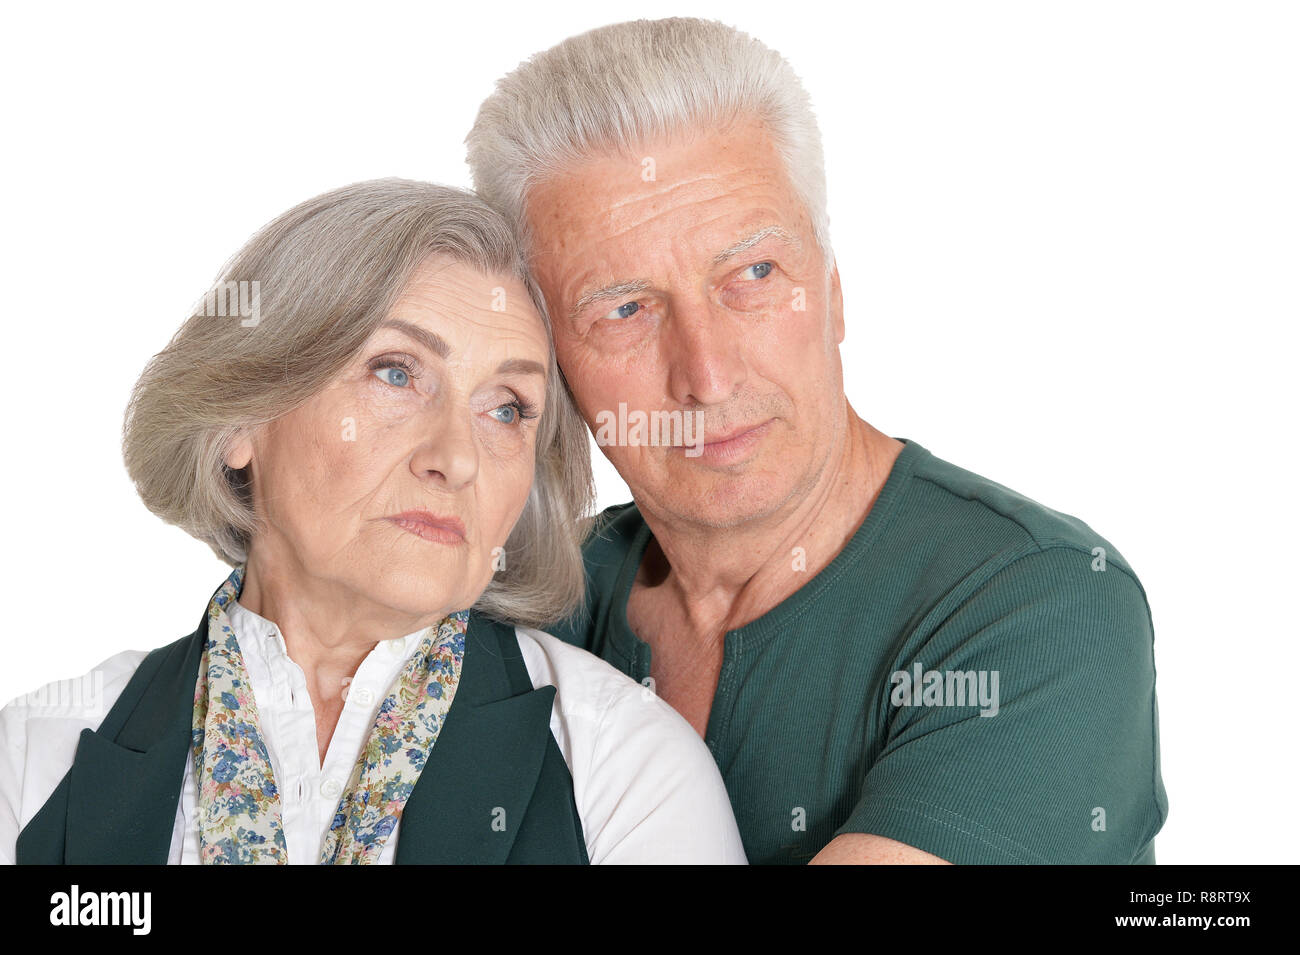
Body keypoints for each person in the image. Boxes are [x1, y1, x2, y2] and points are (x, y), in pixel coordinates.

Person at [465, 17, 1168, 864]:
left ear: (833, 291)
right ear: (547, 360)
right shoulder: (535, 599)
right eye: (624, 308)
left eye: (754, 274)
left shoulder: (1043, 606)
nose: (709, 375)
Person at [0, 178, 746, 865]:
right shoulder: (37, 758)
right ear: (242, 416)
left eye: (507, 407)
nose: (455, 457)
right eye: (396, 372)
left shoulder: (627, 769)